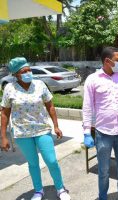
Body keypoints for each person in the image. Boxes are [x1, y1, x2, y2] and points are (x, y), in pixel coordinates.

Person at [0, 57, 71, 200]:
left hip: (42, 129)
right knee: (33, 163)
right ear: (16, 75)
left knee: (51, 161)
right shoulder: (9, 88)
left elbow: (50, 106)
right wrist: (3, 137)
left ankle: (60, 188)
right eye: (23, 71)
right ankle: (38, 191)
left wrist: (56, 126)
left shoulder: (39, 84)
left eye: (29, 70)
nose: (28, 73)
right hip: (22, 132)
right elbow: (4, 113)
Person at [82, 47, 118, 200]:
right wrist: (87, 132)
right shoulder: (93, 80)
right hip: (103, 133)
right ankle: (102, 196)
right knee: (104, 170)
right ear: (107, 61)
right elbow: (87, 107)